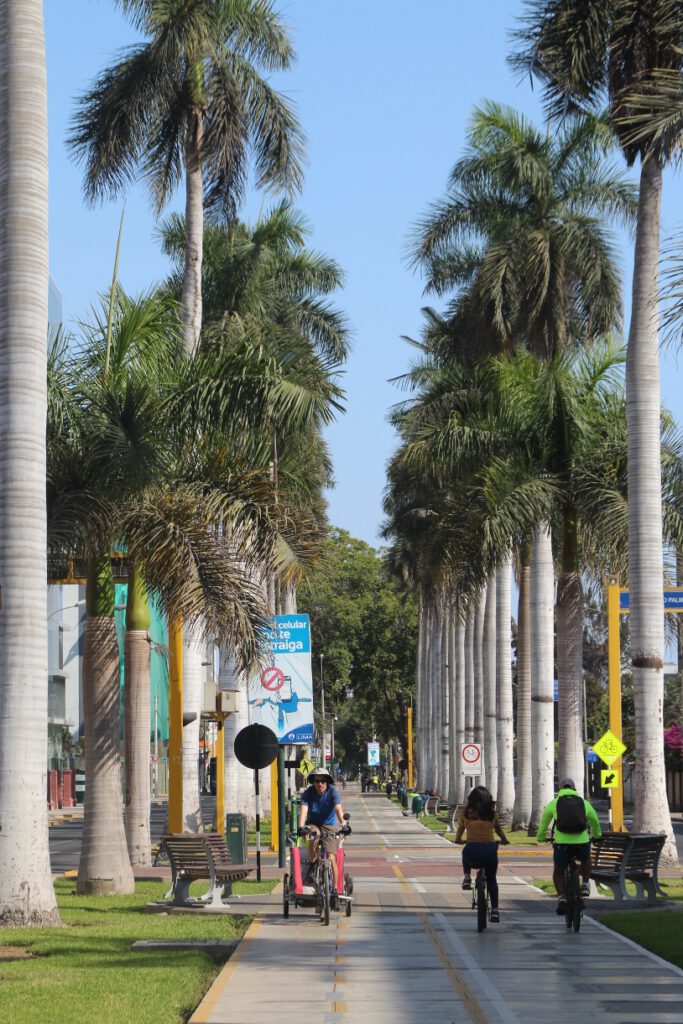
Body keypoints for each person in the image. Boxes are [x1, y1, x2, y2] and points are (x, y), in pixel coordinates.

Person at [536, 777, 602, 915]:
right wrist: (597, 836)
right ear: (574, 788)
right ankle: (585, 884)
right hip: (582, 842)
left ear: (560, 789)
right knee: (585, 859)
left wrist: (541, 837)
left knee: (558, 871)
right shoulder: (584, 803)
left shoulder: (554, 803)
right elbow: (594, 821)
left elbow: (544, 823)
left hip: (562, 844)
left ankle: (561, 898)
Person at [454, 785, 509, 922]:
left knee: (465, 852)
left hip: (472, 851)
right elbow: (498, 831)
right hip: (490, 851)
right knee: (491, 880)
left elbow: (460, 830)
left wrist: (458, 840)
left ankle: (467, 876)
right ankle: (495, 910)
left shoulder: (467, 813)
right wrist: (504, 840)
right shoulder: (491, 814)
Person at [299, 767, 347, 894]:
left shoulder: (333, 792)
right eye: (317, 781)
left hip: (329, 825)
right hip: (313, 824)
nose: (320, 784)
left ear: (327, 782)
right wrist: (301, 828)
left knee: (332, 858)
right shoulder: (308, 793)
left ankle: (336, 889)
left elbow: (338, 809)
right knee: (314, 837)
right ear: (314, 782)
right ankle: (313, 867)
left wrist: (343, 825)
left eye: (323, 781)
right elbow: (303, 812)